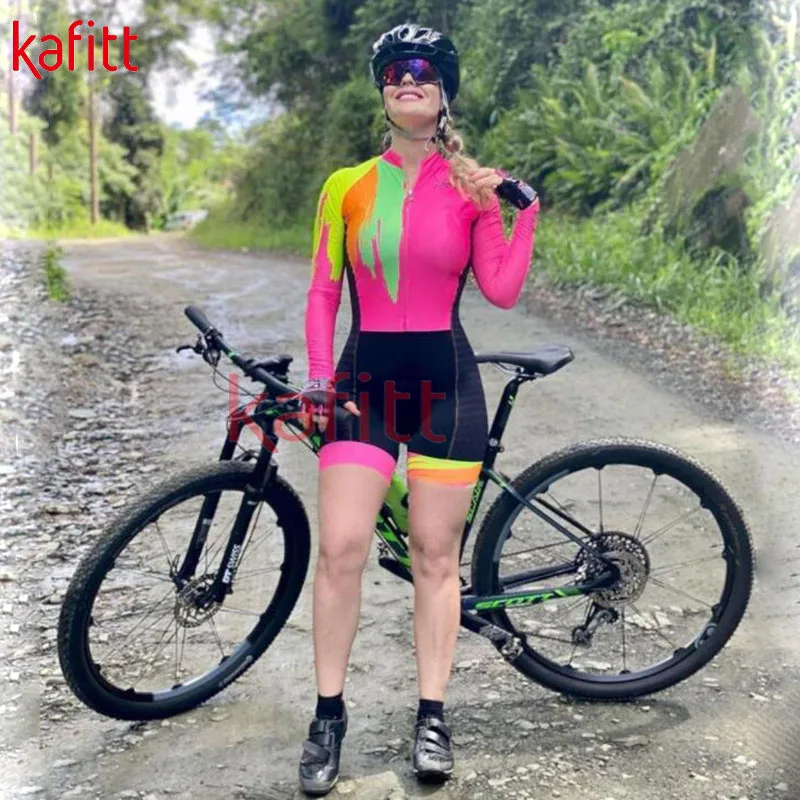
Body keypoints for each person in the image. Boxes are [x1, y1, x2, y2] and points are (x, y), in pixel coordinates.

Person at [296, 23, 540, 796]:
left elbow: (502, 290)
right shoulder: (345, 185)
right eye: (395, 71)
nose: (408, 79)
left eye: (424, 71)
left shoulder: (473, 190)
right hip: (363, 384)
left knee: (436, 557)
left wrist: (524, 212)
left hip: (445, 386)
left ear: (443, 94)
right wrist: (317, 380)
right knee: (341, 549)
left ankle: (432, 716)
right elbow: (323, 292)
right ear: (382, 91)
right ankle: (327, 715)